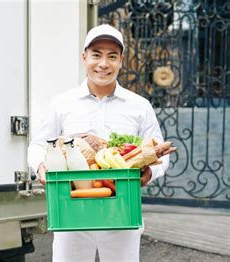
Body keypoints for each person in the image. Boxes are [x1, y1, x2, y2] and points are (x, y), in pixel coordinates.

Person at [28, 24, 170, 261]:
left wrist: (150, 173)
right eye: (96, 54)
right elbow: (38, 145)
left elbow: (160, 153)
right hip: (71, 212)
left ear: (121, 60)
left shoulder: (139, 106)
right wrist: (41, 166)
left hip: (121, 212)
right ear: (84, 57)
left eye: (112, 56)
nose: (103, 64)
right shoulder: (62, 103)